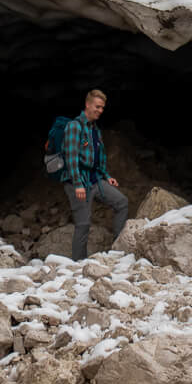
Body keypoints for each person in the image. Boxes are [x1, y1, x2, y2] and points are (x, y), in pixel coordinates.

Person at [60, 87, 128, 260]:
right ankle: (78, 265)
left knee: (121, 202)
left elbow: (99, 158)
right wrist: (77, 184)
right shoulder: (74, 126)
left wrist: (107, 176)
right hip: (78, 182)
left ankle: (117, 251)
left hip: (96, 181)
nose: (100, 110)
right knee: (83, 224)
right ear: (87, 105)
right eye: (97, 106)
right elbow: (71, 158)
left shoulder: (95, 129)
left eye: (102, 108)